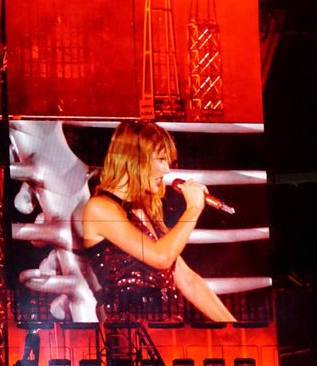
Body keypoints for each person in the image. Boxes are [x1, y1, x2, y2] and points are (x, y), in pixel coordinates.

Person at [79, 120, 234, 323]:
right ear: (135, 159)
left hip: (167, 332)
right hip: (131, 336)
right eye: (161, 159)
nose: (167, 170)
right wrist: (193, 209)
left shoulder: (145, 210)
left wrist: (233, 326)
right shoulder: (100, 208)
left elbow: (188, 280)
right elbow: (160, 257)